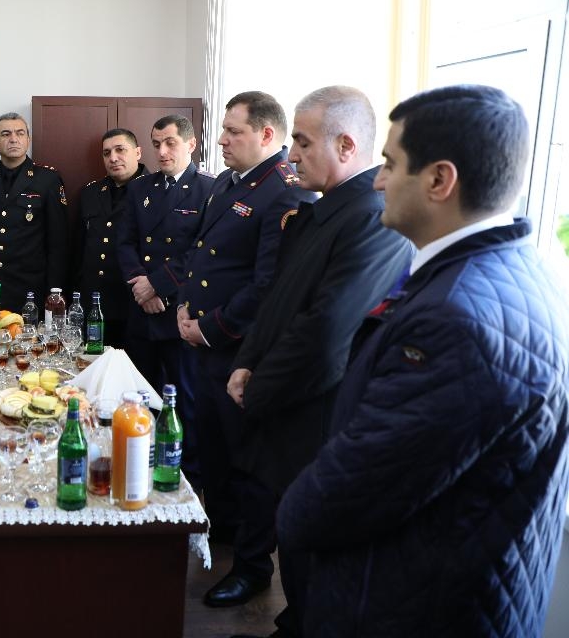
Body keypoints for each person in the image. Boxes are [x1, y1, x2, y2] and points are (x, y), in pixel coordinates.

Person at [276, 84, 569, 637]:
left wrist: (292, 512)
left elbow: (346, 495)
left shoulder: (454, 321)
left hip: (418, 608)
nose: (378, 180)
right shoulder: (515, 270)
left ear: (439, 180)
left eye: (390, 164)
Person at [214, 87, 413, 632]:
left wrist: (257, 386)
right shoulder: (322, 207)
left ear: (345, 145)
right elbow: (277, 301)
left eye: (302, 143)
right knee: (278, 525)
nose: (292, 155)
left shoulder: (369, 218)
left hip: (313, 412)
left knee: (306, 551)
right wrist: (245, 362)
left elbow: (325, 333)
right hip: (279, 396)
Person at [172, 92, 314, 559]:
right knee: (212, 447)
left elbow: (268, 285)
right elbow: (200, 253)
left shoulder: (286, 190)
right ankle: (221, 533)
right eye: (224, 130)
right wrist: (184, 306)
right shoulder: (228, 182)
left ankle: (250, 564)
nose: (221, 140)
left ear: (266, 134)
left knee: (245, 459)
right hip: (203, 342)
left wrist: (209, 327)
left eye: (233, 131)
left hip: (239, 349)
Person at [117, 114, 213, 393]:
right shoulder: (140, 187)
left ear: (191, 144)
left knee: (181, 398)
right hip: (142, 308)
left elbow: (201, 251)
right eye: (156, 144)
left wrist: (157, 285)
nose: (161, 152)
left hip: (180, 310)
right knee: (137, 396)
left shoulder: (210, 188)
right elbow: (125, 243)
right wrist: (142, 288)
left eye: (170, 143)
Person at [0, 112, 67, 313]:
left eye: (20, 133)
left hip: (30, 286)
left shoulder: (48, 179)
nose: (14, 139)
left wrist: (55, 290)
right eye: (6, 134)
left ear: (28, 139)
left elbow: (57, 242)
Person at [74, 128, 147, 349]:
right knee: (90, 364)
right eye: (107, 153)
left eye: (120, 150)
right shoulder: (90, 193)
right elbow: (78, 250)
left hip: (134, 304)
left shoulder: (153, 191)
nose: (113, 158)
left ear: (138, 152)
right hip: (94, 303)